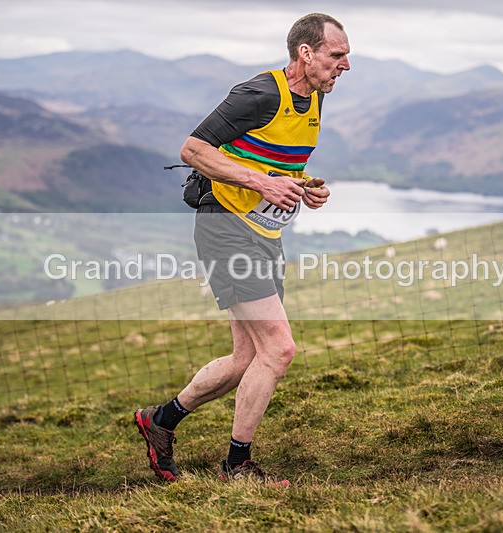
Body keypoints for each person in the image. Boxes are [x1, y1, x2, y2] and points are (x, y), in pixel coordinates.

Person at [135, 12, 350, 485]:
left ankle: (160, 421)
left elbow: (271, 161)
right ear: (306, 53)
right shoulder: (259, 93)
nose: (346, 65)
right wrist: (261, 183)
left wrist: (303, 188)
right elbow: (193, 149)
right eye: (338, 55)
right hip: (225, 228)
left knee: (245, 360)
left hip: (263, 234)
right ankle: (237, 466)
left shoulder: (312, 97)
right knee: (280, 349)